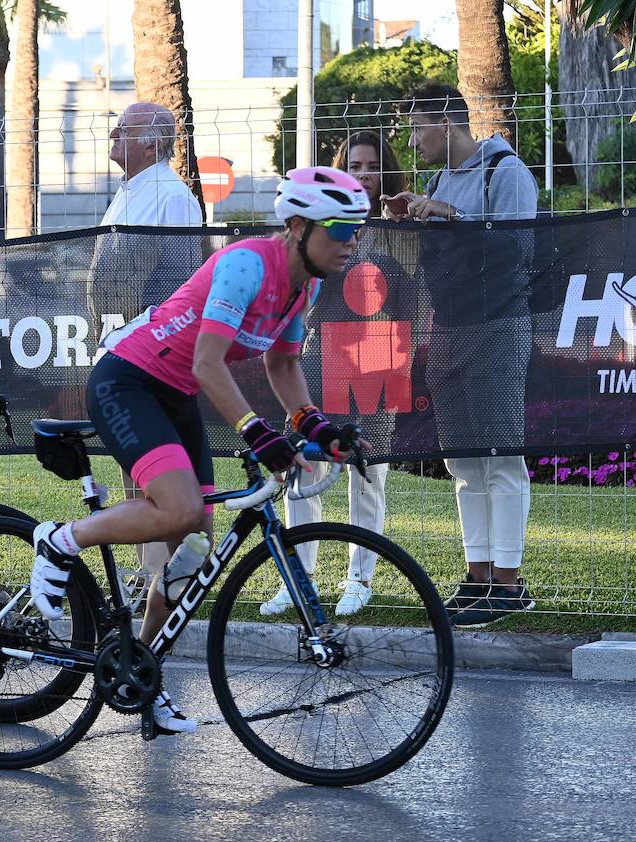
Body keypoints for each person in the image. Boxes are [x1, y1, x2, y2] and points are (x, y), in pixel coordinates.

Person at [29, 166, 371, 735]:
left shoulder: (304, 284)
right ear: (296, 227)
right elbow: (207, 362)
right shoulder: (247, 264)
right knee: (181, 509)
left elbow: (282, 363)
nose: (349, 243)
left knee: (192, 548)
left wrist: (315, 424)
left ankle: (140, 676)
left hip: (177, 393)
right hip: (129, 381)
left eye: (355, 231)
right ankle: (60, 540)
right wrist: (257, 432)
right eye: (339, 229)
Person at [384, 83, 539, 628]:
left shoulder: (506, 172)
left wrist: (450, 216)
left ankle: (510, 582)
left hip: (498, 327)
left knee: (501, 457)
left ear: (445, 125)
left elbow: (522, 250)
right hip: (448, 331)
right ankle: (477, 578)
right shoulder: (436, 180)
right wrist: (411, 219)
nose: (412, 139)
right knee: (462, 462)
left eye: (417, 128)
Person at [260, 130, 408, 617]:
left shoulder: (398, 231)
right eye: (355, 167)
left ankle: (359, 578)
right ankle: (297, 580)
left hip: (379, 363)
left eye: (372, 166)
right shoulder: (321, 227)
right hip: (322, 361)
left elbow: (419, 287)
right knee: (303, 472)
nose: (365, 175)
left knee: (368, 477)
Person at [92, 101, 205, 595]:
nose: (113, 131)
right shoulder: (130, 191)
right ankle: (148, 572)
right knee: (135, 468)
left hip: (148, 353)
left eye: (126, 127)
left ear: (153, 142)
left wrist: (141, 335)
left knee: (156, 468)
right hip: (118, 345)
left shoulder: (170, 195)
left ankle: (166, 576)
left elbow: (179, 278)